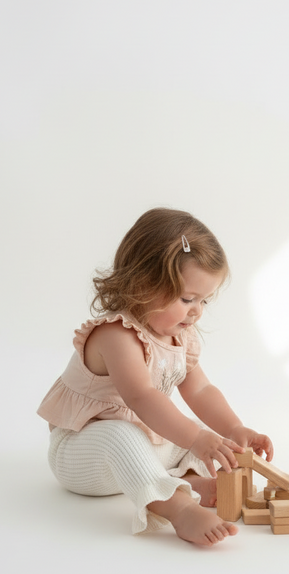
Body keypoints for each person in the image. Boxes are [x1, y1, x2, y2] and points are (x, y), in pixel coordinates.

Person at [37, 207, 274, 547]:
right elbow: (142, 397)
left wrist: (234, 430)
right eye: (187, 298)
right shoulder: (115, 336)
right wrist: (197, 438)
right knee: (130, 433)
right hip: (84, 455)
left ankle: (192, 480)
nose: (196, 311)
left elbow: (202, 389)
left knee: (191, 431)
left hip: (142, 450)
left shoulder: (180, 337)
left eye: (204, 301)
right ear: (144, 284)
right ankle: (178, 508)